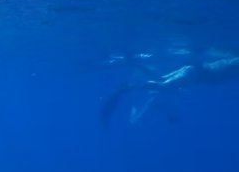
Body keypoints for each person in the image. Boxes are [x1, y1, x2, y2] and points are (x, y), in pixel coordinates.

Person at [100, 54, 239, 125]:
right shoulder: (188, 72)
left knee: (162, 84)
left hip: (207, 74)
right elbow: (161, 83)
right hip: (208, 73)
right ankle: (133, 80)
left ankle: (133, 79)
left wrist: (137, 79)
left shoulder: (187, 71)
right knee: (162, 85)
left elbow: (160, 81)